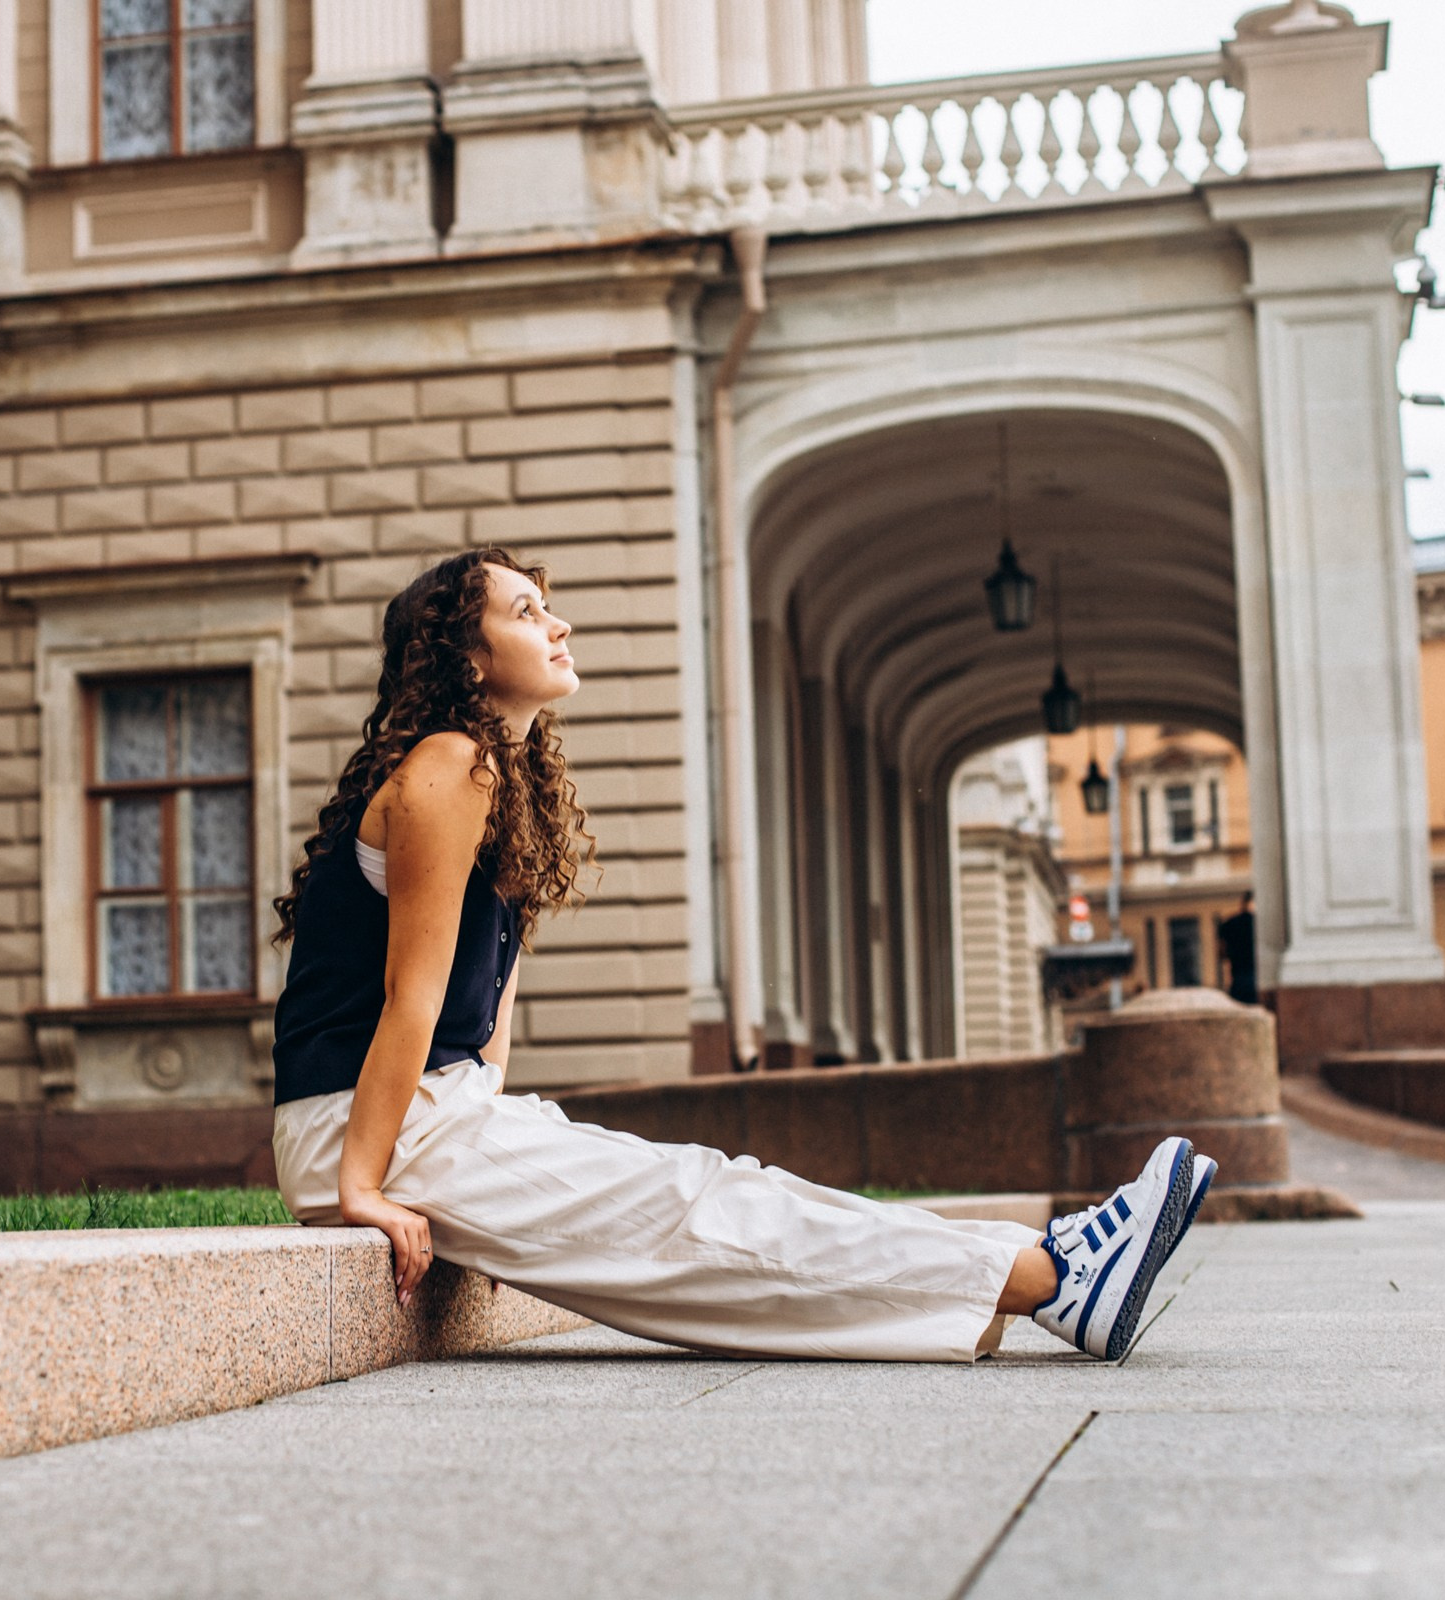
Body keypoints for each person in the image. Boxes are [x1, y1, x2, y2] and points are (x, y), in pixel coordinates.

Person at [269, 548, 1215, 1364]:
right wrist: (359, 1187)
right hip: (364, 1127)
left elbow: (485, 1027)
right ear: (467, 659)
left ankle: (1045, 1268)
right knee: (699, 1212)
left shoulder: (503, 787)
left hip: (433, 1115)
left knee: (720, 1198)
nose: (557, 625)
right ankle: (1051, 1277)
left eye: (547, 605)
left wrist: (499, 1150)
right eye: (525, 612)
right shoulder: (448, 764)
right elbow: (412, 998)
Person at [1217, 891, 1258, 1005]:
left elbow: (1221, 953)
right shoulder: (1260, 924)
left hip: (1238, 978)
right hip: (1257, 977)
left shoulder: (1228, 924)